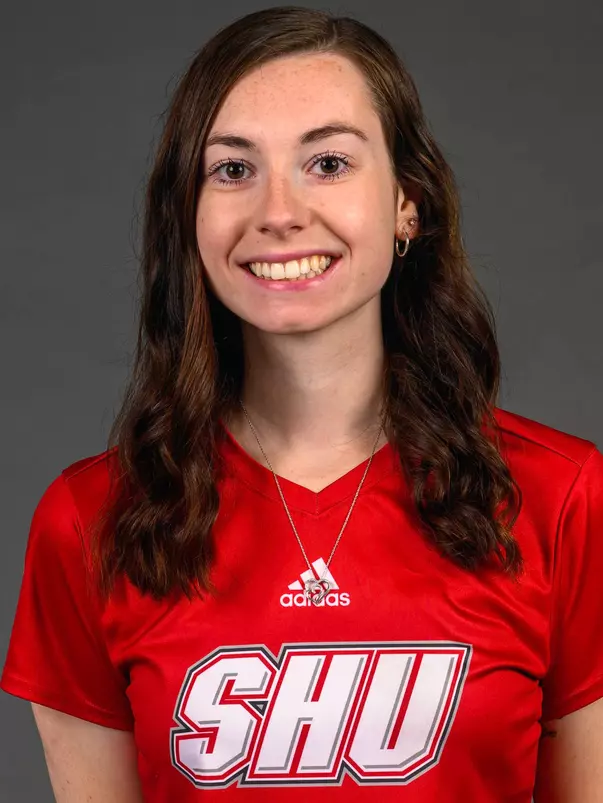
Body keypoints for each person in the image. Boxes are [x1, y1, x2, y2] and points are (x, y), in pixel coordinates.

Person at [2, 6, 602, 802]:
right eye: (232, 169)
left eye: (326, 163)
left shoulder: (561, 497)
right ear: (189, 213)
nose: (278, 211)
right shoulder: (88, 522)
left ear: (405, 204)